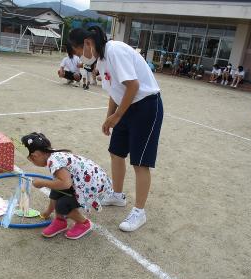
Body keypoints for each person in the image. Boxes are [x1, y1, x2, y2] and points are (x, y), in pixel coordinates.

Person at [68, 26, 164, 232]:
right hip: (126, 106)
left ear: (87, 43)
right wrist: (109, 117)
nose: (78, 56)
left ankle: (139, 212)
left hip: (146, 106)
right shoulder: (101, 59)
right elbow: (114, 90)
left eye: (77, 51)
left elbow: (133, 86)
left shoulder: (114, 50)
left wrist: (117, 115)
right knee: (116, 152)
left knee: (140, 162)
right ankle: (118, 195)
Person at [21, 132, 113, 239]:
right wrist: (48, 212)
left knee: (62, 205)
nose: (33, 162)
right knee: (56, 189)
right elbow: (60, 185)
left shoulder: (54, 161)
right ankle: (60, 221)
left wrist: (42, 183)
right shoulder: (52, 154)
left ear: (35, 155)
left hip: (92, 187)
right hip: (86, 182)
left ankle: (84, 223)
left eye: (31, 160)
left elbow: (65, 184)